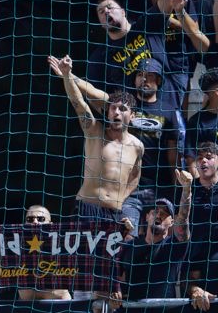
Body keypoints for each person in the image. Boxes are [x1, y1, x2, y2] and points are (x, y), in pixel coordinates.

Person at [48, 56, 145, 233]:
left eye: (122, 109)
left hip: (113, 213)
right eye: (113, 108)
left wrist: (121, 200)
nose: (116, 111)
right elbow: (78, 102)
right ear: (107, 113)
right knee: (79, 261)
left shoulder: (137, 146)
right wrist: (67, 75)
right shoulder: (94, 131)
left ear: (132, 116)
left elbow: (135, 177)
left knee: (109, 261)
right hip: (86, 209)